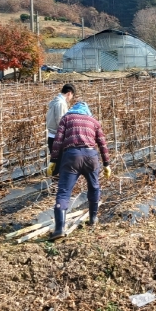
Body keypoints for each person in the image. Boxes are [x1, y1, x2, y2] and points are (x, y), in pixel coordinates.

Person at [47, 101, 110, 239]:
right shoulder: (93, 121)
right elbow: (102, 143)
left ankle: (59, 229)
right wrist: (107, 163)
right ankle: (93, 218)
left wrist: (53, 160)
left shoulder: (66, 118)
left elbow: (58, 140)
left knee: (64, 192)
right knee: (94, 187)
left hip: (71, 157)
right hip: (91, 157)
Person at [46, 84, 75, 175]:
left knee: (56, 162)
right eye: (72, 96)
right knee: (60, 164)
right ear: (69, 93)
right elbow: (61, 122)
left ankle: (56, 182)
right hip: (58, 138)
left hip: (52, 136)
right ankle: (58, 183)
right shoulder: (61, 104)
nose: (71, 98)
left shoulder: (55, 101)